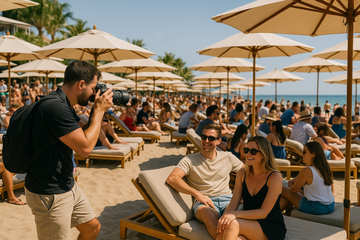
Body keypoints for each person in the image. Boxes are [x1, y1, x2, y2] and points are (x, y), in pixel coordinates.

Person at [25, 60, 108, 240]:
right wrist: (99, 110)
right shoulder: (55, 107)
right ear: (81, 84)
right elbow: (85, 149)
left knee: (92, 228)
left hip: (66, 184)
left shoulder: (64, 105)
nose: (95, 93)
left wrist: (97, 112)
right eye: (93, 88)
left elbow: (82, 135)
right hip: (49, 191)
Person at [166, 123, 243, 239]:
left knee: (232, 220)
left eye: (211, 138)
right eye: (203, 137)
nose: (206, 141)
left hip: (228, 199)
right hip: (204, 202)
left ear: (218, 141)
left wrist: (243, 194)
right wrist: (197, 194)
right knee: (208, 216)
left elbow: (247, 173)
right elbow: (172, 178)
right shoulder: (190, 159)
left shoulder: (228, 157)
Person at [216, 136, 286, 240]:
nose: (248, 154)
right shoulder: (242, 173)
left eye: (253, 151)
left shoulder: (274, 177)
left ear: (264, 154)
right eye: (246, 150)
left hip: (270, 226)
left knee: (232, 224)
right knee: (224, 232)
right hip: (249, 223)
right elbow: (234, 203)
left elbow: (264, 212)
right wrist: (225, 217)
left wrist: (234, 215)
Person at [280, 142, 335, 215]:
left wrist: (291, 186)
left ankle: (271, 213)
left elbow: (293, 191)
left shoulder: (307, 171)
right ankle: (288, 213)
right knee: (291, 196)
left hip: (316, 207)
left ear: (313, 154)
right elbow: (331, 190)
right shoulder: (326, 168)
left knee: (283, 189)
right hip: (330, 205)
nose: (302, 155)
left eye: (304, 152)